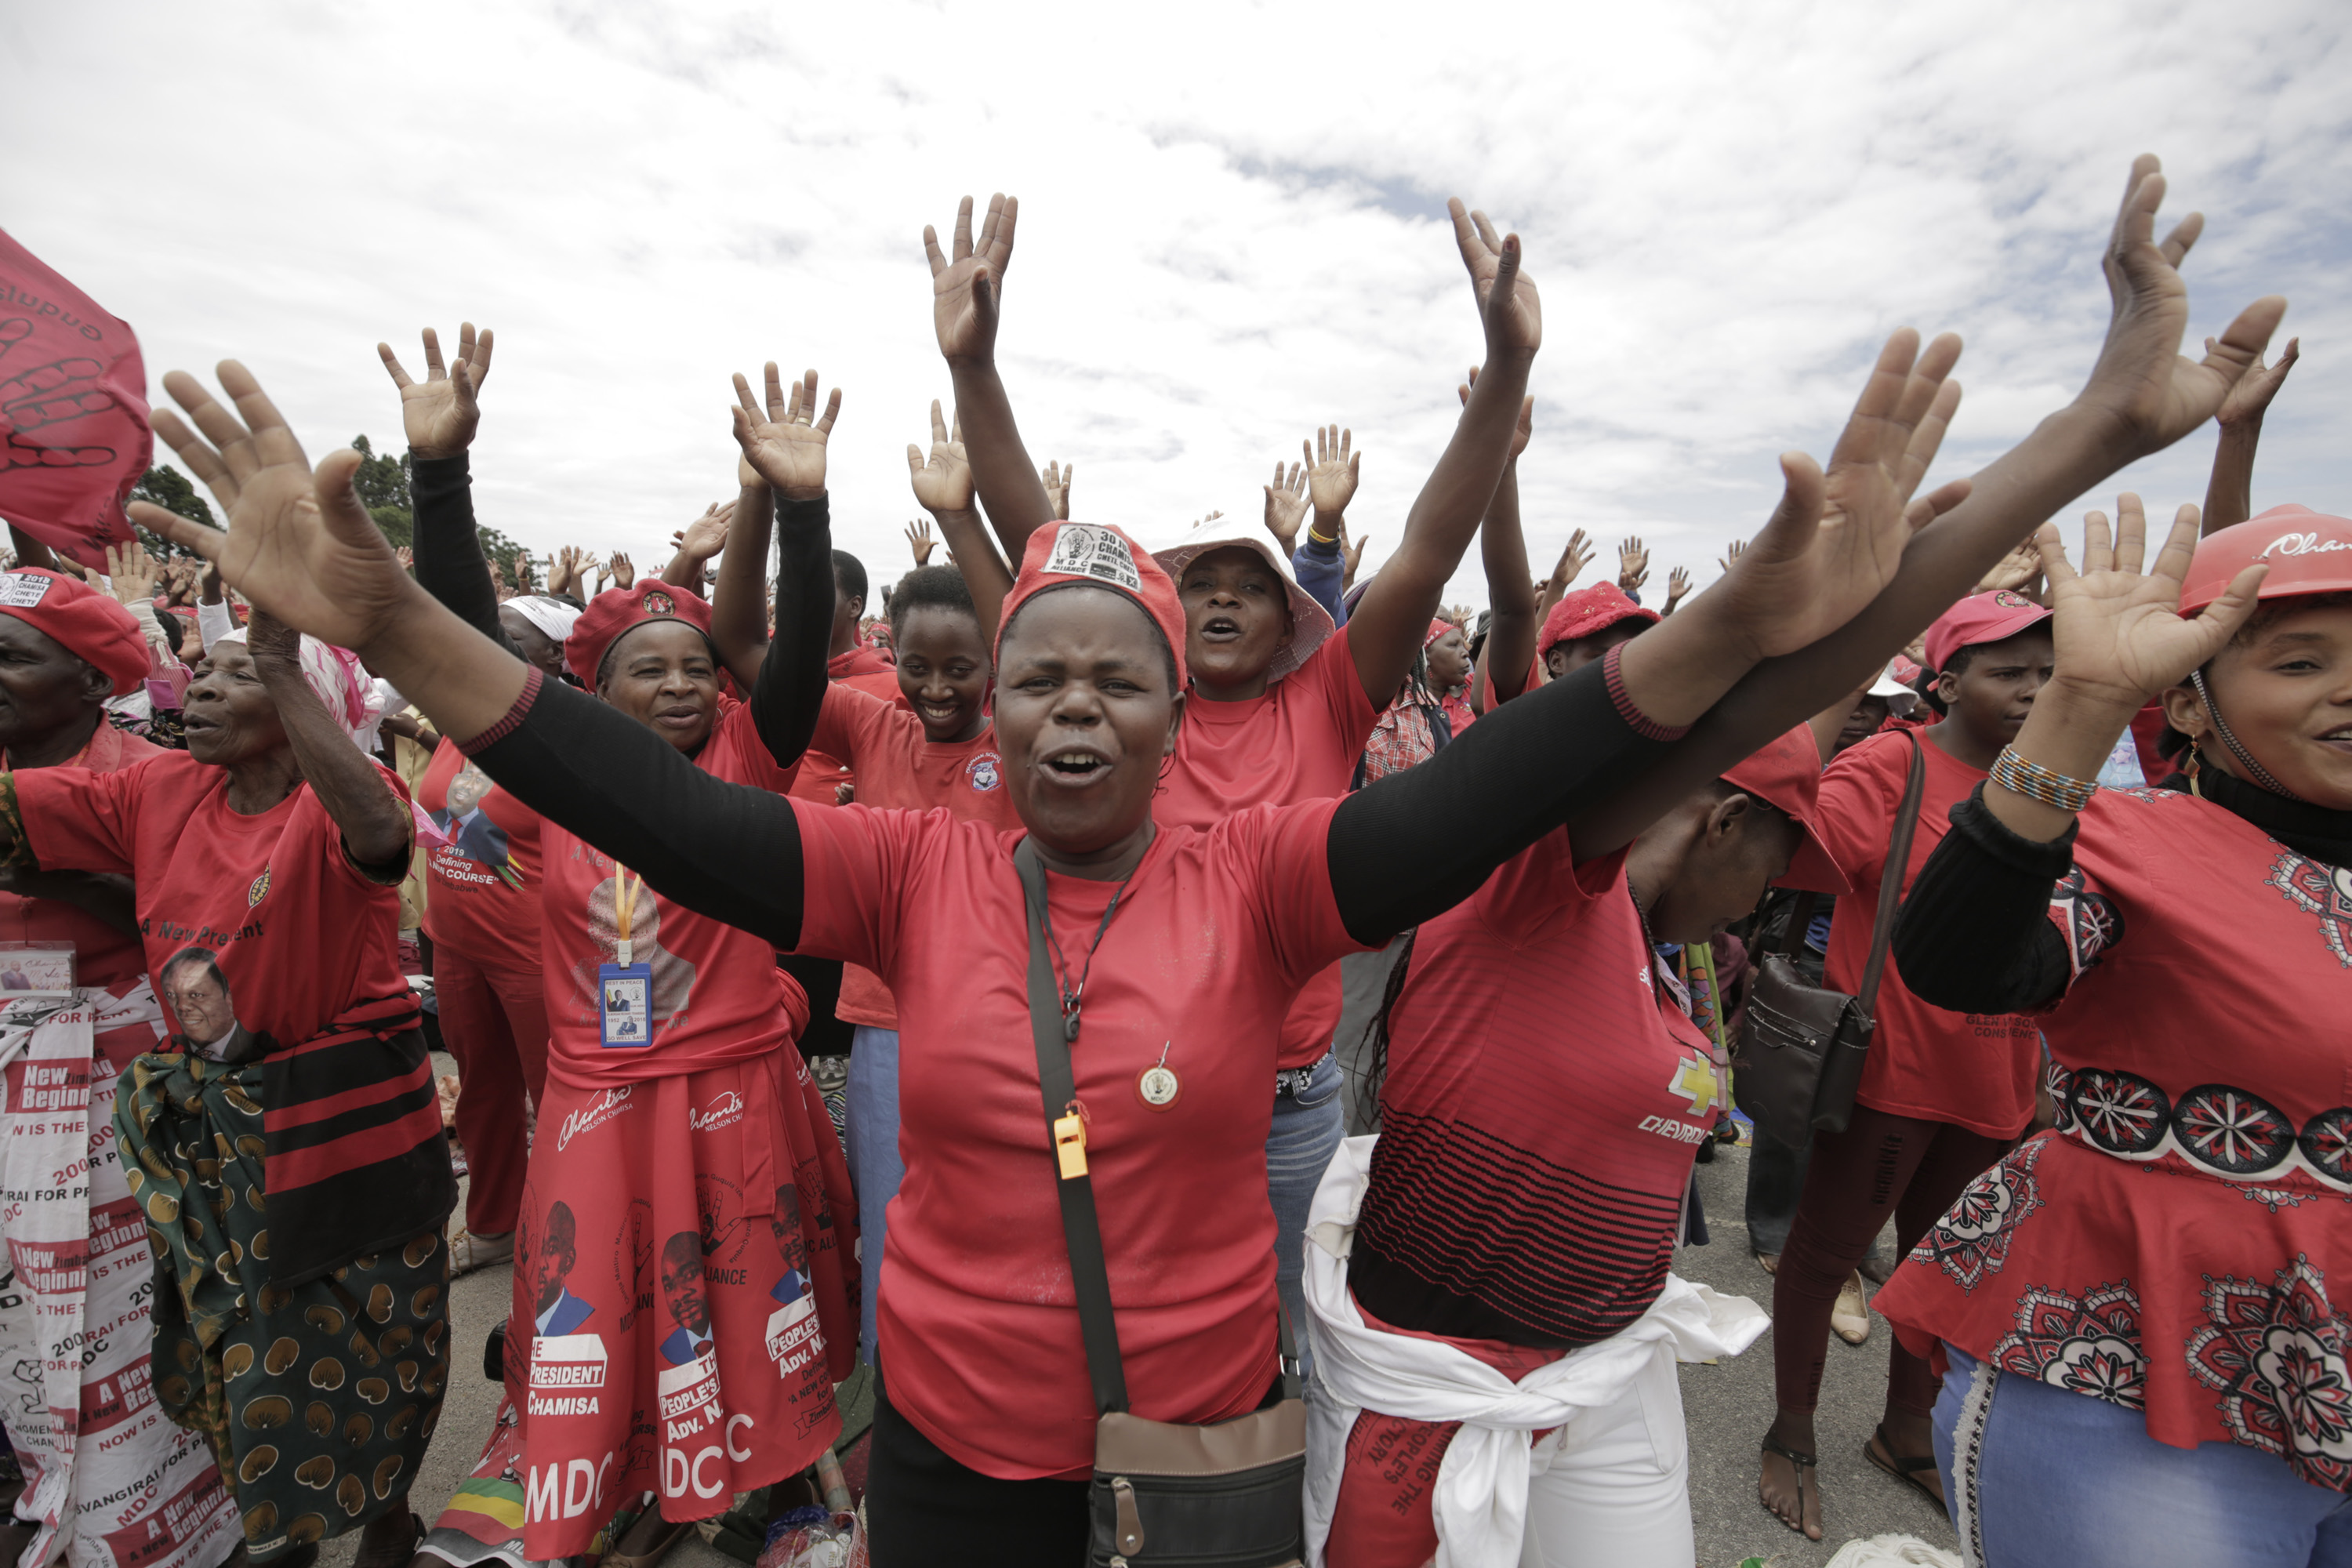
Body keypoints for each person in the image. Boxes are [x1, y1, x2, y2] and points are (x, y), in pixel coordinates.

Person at [144, 151, 2281, 1565]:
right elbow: (619, 786)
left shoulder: (1278, 875)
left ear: (1181, 717)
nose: (1075, 706)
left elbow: (1601, 724)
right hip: (963, 1455)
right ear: (995, 709)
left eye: (1123, 678)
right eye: (1042, 674)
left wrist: (1766, 586)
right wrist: (388, 623)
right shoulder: (899, 874)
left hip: (1208, 1446)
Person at [930, 196, 1569, 1374]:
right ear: (1161, 617)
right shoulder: (1126, 719)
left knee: (1270, 1354)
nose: (1223, 593)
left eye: (1251, 579)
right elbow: (1038, 532)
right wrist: (974, 367)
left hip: (1285, 1106)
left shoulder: (1328, 698)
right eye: (1200, 577)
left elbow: (1429, 543)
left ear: (1292, 613)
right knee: (1088, 1334)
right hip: (1124, 1075)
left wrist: (1505, 367)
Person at [386, 335, 858, 1566]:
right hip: (599, 1108)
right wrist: (442, 473)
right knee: (606, 1318)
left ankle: (745, 1490)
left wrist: (801, 510)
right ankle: (617, 1477)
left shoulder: (752, 762)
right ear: (594, 695)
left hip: (735, 1098)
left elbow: (798, 657)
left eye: (699, 667)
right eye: (648, 671)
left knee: (750, 1324)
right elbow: (456, 644)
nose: (684, 687)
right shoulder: (559, 786)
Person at [1878, 499, 2350, 1566]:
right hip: (2134, 1386)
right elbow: (1959, 966)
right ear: (2186, 703)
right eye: (2300, 663)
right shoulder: (2130, 842)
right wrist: (2081, 706)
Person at [0, 554, 454, 1568]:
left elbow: (379, 831)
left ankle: (388, 1516)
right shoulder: (158, 788)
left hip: (351, 1115)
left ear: (311, 707)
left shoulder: (345, 796)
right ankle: (277, 1521)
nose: (202, 686)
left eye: (238, 676)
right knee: (240, 1333)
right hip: (218, 1113)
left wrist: (287, 668)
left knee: (384, 1332)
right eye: (201, 671)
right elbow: (13, 812)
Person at [1309, 724, 1846, 1567]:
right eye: (1770, 875)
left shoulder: (1658, 951)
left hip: (1607, 1374)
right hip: (1443, 1388)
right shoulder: (1538, 893)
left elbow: (1795, 736)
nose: (1754, 903)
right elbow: (1742, 687)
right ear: (1726, 821)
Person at [709, 377, 1019, 1368]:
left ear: (998, 668)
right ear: (892, 651)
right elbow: (743, 645)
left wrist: (963, 517)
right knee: (893, 1222)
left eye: (961, 667)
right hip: (886, 1022)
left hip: (1007, 1019)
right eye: (918, 664)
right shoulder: (869, 720)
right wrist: (766, 495)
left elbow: (1034, 628)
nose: (935, 686)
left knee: (1006, 1221)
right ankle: (903, 1406)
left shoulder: (1024, 740)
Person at [1756, 587, 2057, 1538]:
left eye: (2049, 674)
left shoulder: (2055, 780)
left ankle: (1905, 1431)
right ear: (1948, 676)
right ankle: (1792, 1431)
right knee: (1826, 1254)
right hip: (1890, 1077)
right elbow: (1792, 840)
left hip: (2000, 1085)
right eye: (2010, 671)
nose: (2033, 691)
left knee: (1944, 1275)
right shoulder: (1898, 762)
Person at [0, 567, 241, 1568]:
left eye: (10, 655)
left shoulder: (152, 777)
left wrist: (54, 865)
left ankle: (150, 1525)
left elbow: (202, 951)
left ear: (94, 682)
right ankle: (40, 1488)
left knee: (110, 1314)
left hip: (101, 1082)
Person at [383, 326, 557, 1277]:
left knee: (551, 1092)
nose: (496, 659)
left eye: (519, 647)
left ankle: (566, 1231)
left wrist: (444, 471)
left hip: (534, 950)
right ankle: (492, 1223)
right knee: (481, 1090)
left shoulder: (555, 739)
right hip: (456, 941)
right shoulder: (454, 718)